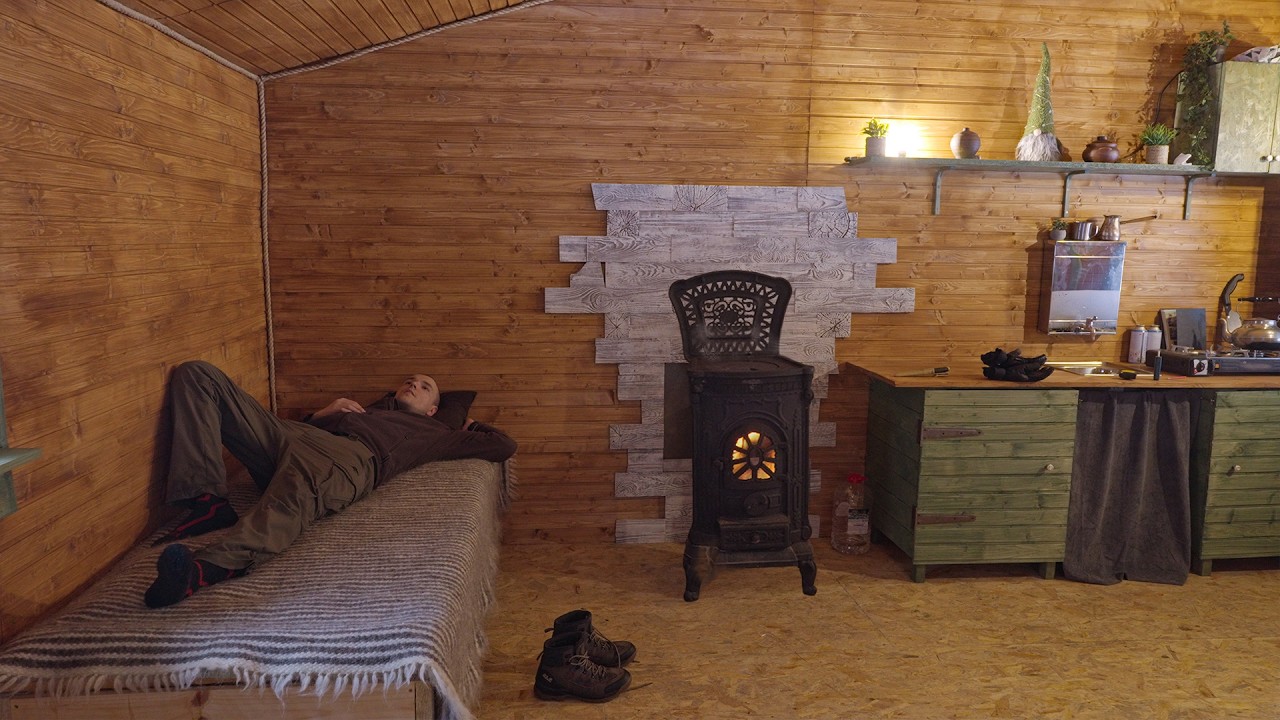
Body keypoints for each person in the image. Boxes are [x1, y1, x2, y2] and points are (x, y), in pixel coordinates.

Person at [144, 360, 516, 608]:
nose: (413, 385)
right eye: (409, 381)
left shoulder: (437, 433)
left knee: (294, 495)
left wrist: (470, 425)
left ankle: (202, 570)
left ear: (434, 409)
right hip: (297, 435)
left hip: (348, 457)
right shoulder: (365, 409)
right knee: (199, 375)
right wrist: (322, 414)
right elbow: (301, 429)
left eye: (424, 386)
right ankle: (207, 500)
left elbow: (503, 446)